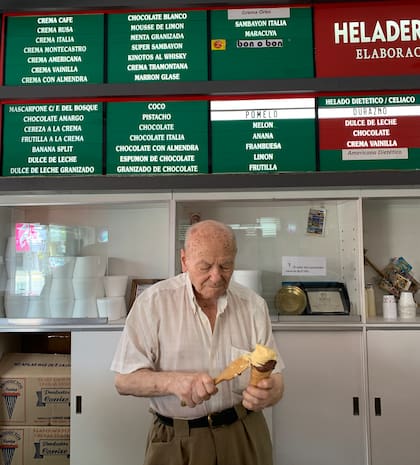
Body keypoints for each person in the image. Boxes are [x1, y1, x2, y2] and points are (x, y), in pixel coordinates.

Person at [111, 219, 284, 465]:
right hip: (177, 439)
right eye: (205, 266)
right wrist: (173, 382)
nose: (216, 277)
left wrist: (273, 392)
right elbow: (123, 381)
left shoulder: (253, 305)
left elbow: (275, 377)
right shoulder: (154, 303)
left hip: (244, 433)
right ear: (184, 261)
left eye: (225, 265)